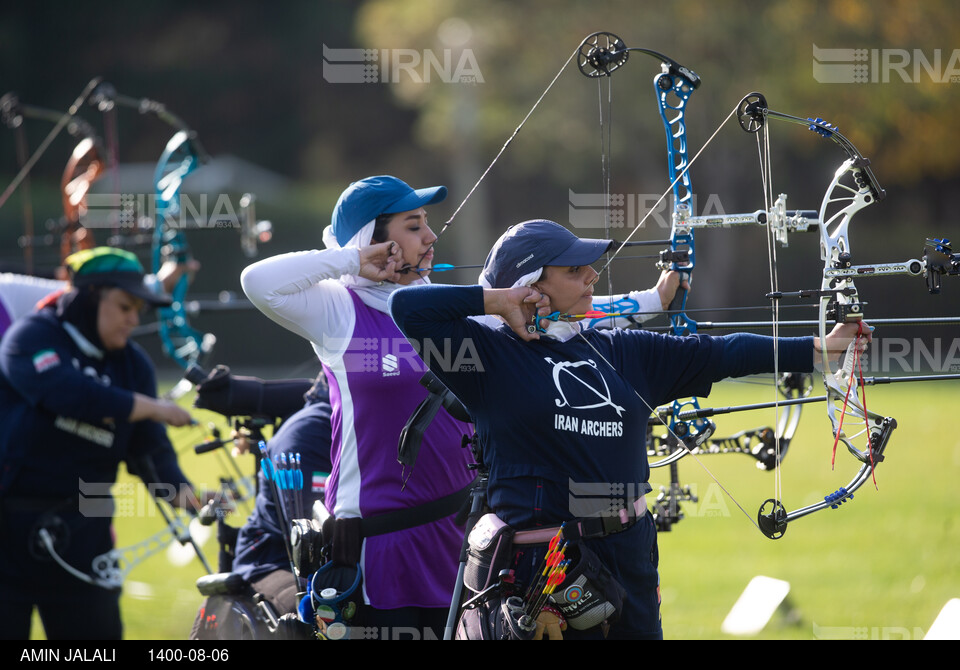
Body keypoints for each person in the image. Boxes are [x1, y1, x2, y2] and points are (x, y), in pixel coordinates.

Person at [388, 218, 871, 640]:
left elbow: (720, 353)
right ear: (530, 285)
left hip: (629, 551)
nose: (592, 276)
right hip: (545, 568)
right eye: (574, 270)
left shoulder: (623, 350)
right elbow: (409, 309)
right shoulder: (486, 359)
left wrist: (819, 349)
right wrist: (497, 301)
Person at [240, 175, 478, 639]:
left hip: (455, 536)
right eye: (413, 226)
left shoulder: (437, 303)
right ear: (374, 240)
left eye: (426, 223)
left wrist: (652, 301)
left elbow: (547, 314)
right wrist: (352, 260)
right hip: (379, 545)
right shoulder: (338, 308)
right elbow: (257, 281)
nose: (430, 236)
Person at [0, 247, 198, 640]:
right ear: (92, 296)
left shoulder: (133, 365)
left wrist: (191, 497)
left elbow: (149, 450)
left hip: (85, 530)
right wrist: (153, 407)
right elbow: (66, 393)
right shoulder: (33, 335)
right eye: (125, 307)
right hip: (8, 528)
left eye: (138, 310)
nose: (132, 320)